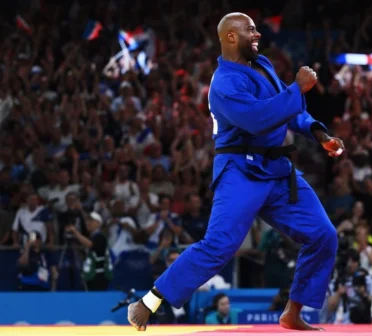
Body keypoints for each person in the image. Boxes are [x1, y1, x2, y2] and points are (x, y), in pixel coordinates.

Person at [127, 12, 344, 331]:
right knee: (219, 246)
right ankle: (149, 302)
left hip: (276, 170)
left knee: (323, 235)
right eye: (251, 30)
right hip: (240, 172)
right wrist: (298, 88)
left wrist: (318, 133)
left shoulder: (262, 65)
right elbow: (260, 118)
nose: (257, 35)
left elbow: (286, 108)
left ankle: (293, 312)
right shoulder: (225, 82)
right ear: (230, 36)